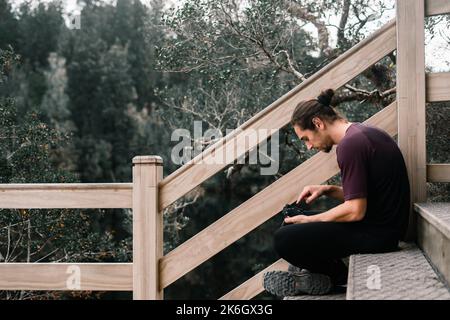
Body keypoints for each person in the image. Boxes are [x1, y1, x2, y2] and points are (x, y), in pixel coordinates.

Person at [263, 89, 410, 297]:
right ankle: (312, 276)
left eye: (306, 138)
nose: (308, 146)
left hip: (379, 234)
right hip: (384, 226)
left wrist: (310, 221)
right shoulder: (364, 133)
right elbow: (367, 197)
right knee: (291, 219)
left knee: (284, 239)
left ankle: (334, 278)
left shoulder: (350, 146)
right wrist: (328, 190)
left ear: (318, 123)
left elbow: (355, 211)